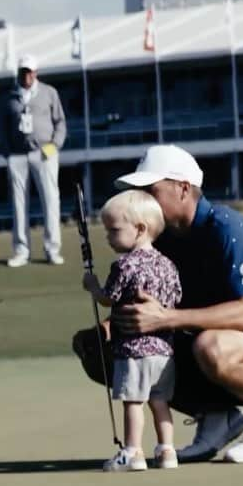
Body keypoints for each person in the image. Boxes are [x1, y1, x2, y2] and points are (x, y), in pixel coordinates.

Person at [109, 144, 243, 463]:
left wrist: (164, 319)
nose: (144, 200)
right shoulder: (159, 240)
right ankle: (218, 416)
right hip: (207, 344)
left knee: (211, 345)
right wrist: (118, 323)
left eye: (151, 190)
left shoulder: (228, 228)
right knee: (107, 346)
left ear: (183, 189)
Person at [81, 191, 182, 471]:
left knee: (133, 402)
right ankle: (167, 451)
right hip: (164, 350)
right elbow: (175, 300)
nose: (109, 237)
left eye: (114, 231)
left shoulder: (124, 265)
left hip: (133, 350)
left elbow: (108, 298)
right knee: (160, 401)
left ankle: (132, 452)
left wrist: (92, 286)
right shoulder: (168, 265)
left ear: (139, 229)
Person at [0, 53, 67, 267]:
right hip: (17, 156)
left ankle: (52, 249)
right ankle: (21, 250)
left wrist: (54, 146)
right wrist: (7, 153)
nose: (27, 75)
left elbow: (60, 123)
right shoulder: (9, 96)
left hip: (44, 153)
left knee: (50, 201)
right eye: (23, 71)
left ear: (35, 72)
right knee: (19, 205)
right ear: (18, 73)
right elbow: (2, 129)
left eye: (30, 71)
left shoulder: (49, 93)